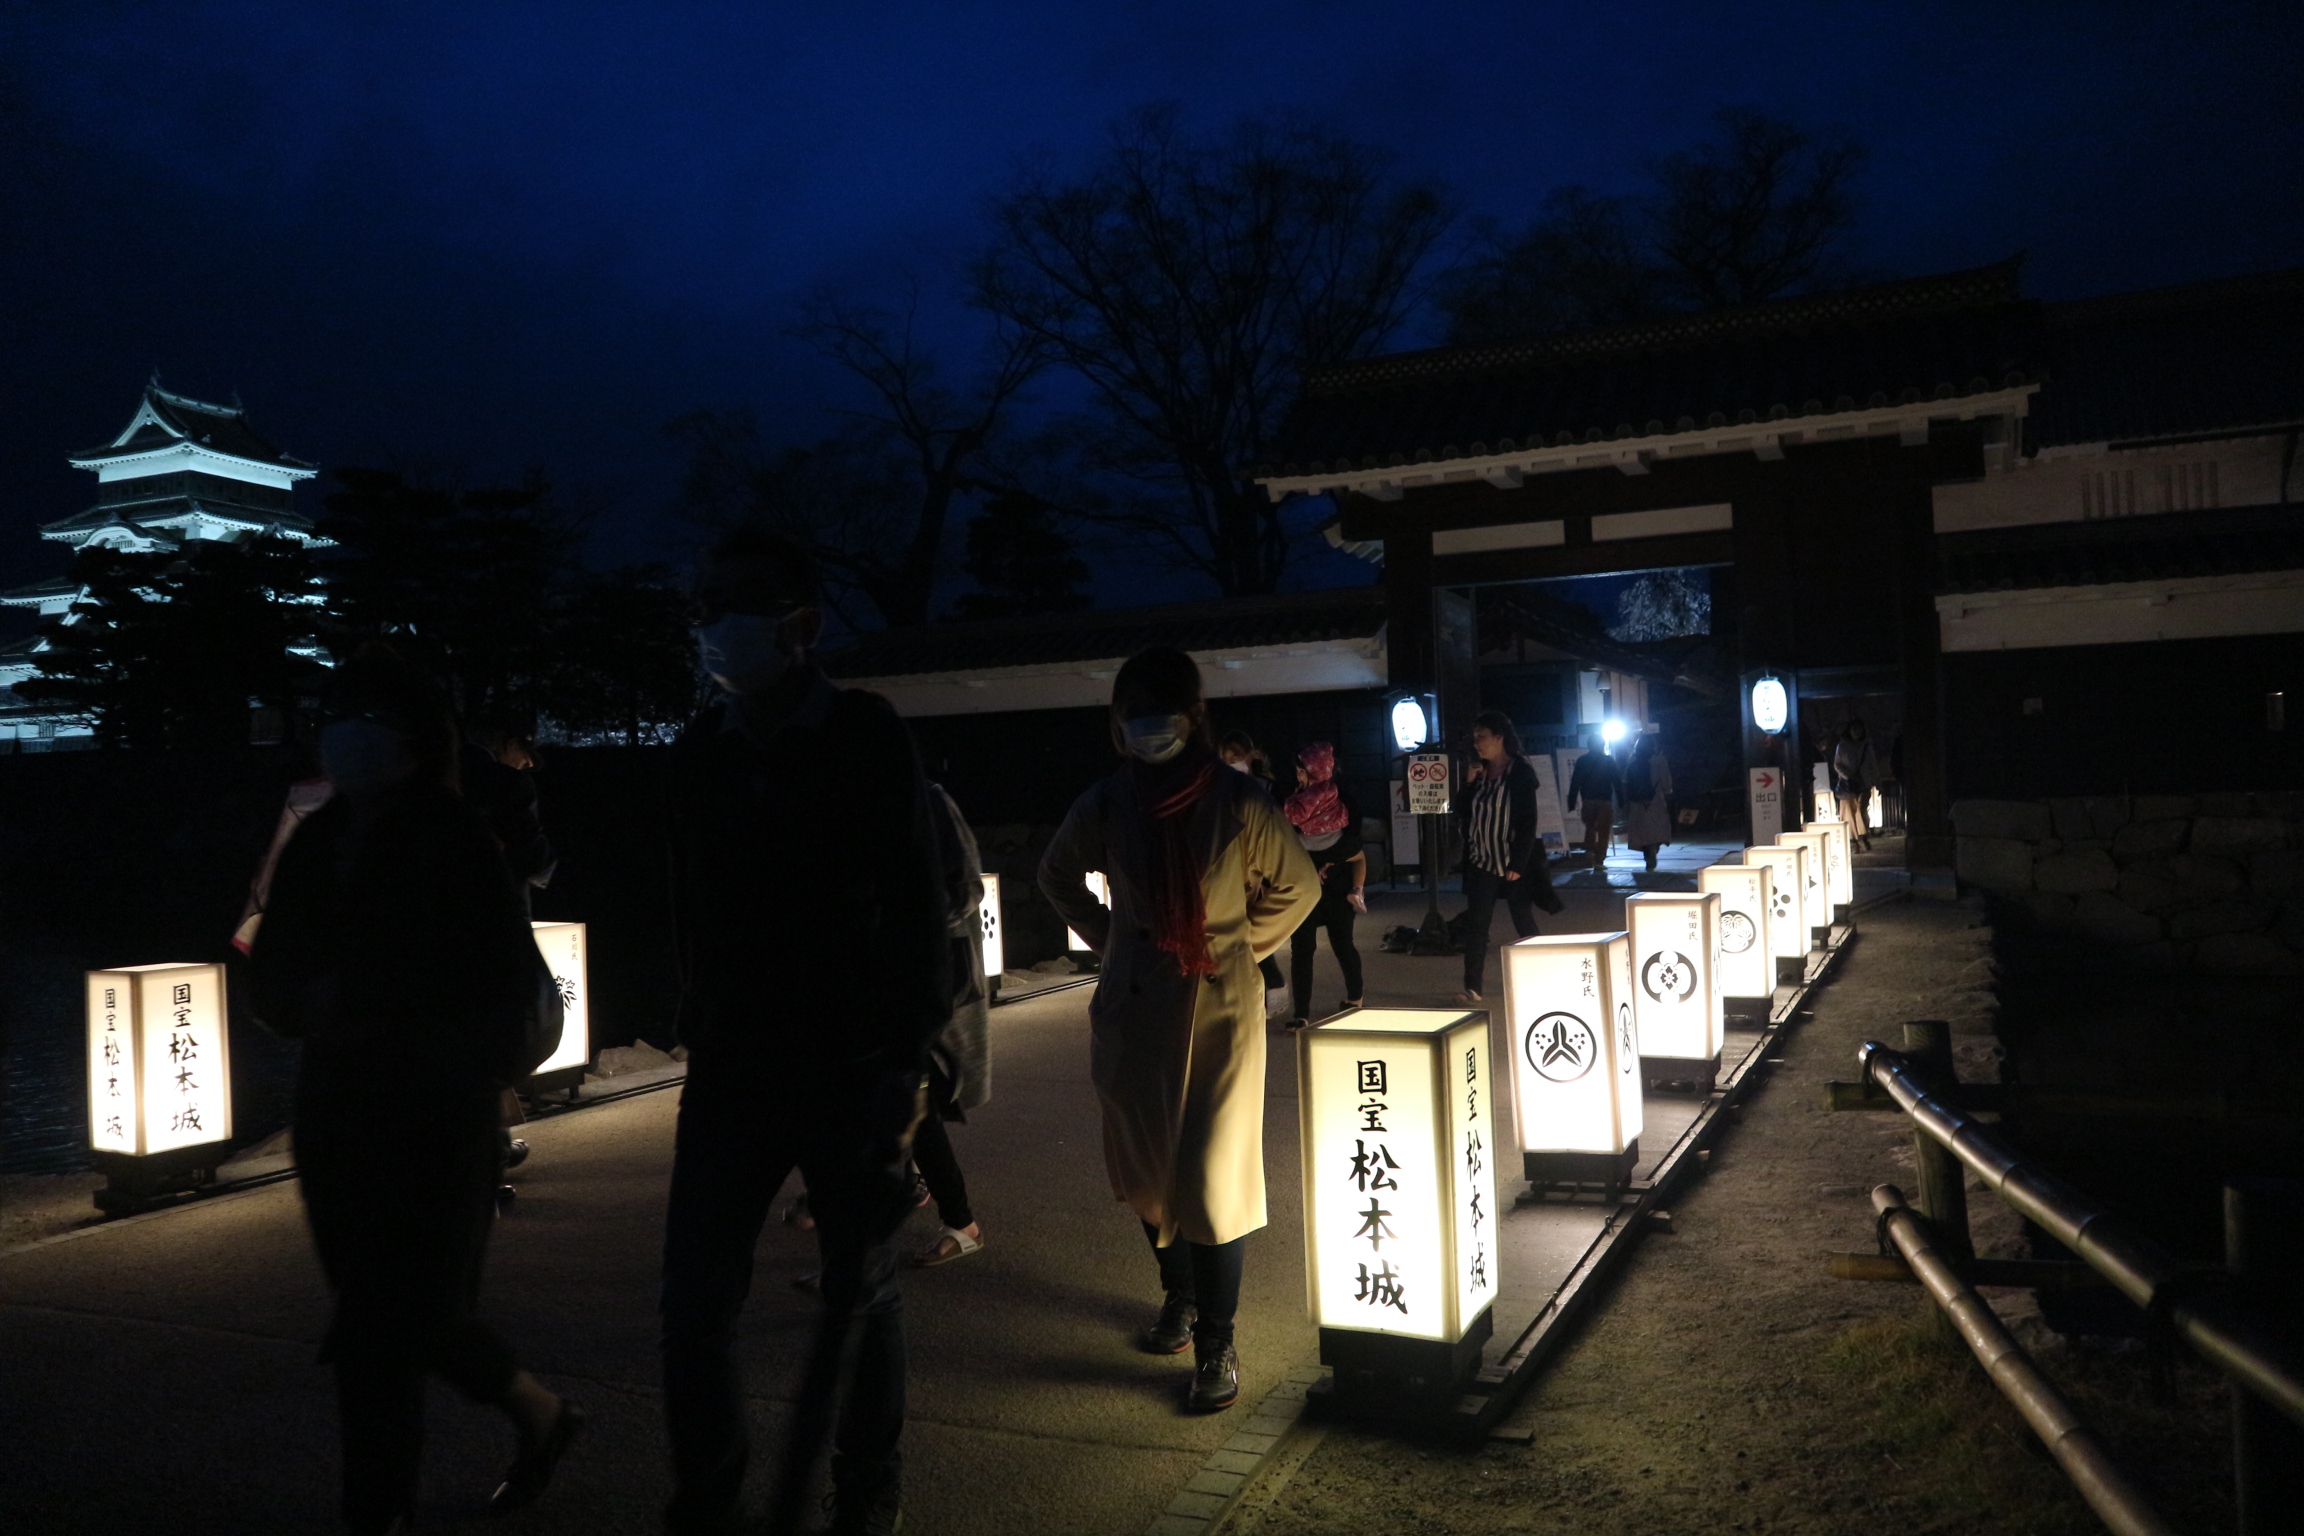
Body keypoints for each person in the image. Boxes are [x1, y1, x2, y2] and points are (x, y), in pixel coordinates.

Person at [248, 645, 582, 1536]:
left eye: (370, 720)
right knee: (388, 1317)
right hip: (338, 1110)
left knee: (394, 1322)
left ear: (416, 739)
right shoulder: (319, 838)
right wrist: (311, 1001)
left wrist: (357, 997)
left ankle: (385, 1508)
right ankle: (536, 1415)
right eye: (336, 717)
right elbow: (271, 979)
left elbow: (492, 985)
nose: (348, 736)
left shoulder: (456, 839)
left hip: (437, 1111)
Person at [660, 527, 949, 1536]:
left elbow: (917, 902)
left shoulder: (865, 735)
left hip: (848, 1061)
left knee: (859, 1289)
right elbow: (689, 903)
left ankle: (866, 1489)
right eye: (705, 604)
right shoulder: (701, 750)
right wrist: (694, 1007)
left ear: (803, 624)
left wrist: (907, 1057)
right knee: (694, 1302)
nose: (715, 623)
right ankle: (709, 1498)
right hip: (733, 1064)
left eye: (739, 601)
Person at [1039, 648, 1315, 1413]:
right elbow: (1056, 874)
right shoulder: (1107, 801)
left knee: (1212, 1175)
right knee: (1149, 1171)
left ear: (1195, 717)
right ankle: (1180, 1296)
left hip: (1217, 1008)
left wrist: (1236, 947)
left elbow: (1298, 885)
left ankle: (1219, 1338)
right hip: (1132, 1006)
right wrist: (1114, 939)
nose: (1149, 727)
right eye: (1135, 714)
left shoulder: (1239, 800)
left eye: (1161, 712)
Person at [459, 713, 556, 1183]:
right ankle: (487, 1153)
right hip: (495, 929)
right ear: (506, 741)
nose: (527, 764)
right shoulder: (505, 785)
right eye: (524, 754)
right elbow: (532, 856)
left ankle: (485, 1144)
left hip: (429, 933)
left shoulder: (418, 781)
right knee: (502, 1031)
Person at [908, 781, 991, 1268]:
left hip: (921, 982)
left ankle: (961, 1221)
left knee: (913, 1101)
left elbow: (966, 888)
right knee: (897, 1100)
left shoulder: (927, 798)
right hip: (881, 982)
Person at [1454, 710, 1564, 1003]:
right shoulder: (1479, 772)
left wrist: (1518, 863)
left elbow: (1528, 821)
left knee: (1522, 918)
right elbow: (1461, 812)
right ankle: (1472, 987)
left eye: (1482, 737)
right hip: (1481, 859)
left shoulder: (1520, 771)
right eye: (1474, 738)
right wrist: (1468, 783)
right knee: (1477, 924)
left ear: (1499, 738)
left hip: (1512, 860)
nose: (1477, 743)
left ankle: (1544, 976)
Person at [1281, 741, 1367, 1027]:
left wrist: (1318, 862)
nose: (1297, 776)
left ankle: (1308, 1012)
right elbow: (1353, 844)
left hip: (1318, 884)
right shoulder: (1341, 794)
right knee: (1324, 946)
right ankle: (1337, 1003)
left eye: (1301, 771)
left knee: (1313, 947)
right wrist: (1326, 861)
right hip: (1328, 881)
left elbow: (1288, 837)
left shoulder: (1304, 798)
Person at [1219, 729, 1292, 1020]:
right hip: (1231, 864)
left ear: (1251, 755)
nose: (1231, 763)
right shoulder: (1220, 787)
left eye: (1235, 757)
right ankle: (1265, 987)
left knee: (1250, 930)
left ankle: (1273, 985)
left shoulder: (1265, 786)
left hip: (1260, 867)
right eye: (1225, 759)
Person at [1622, 728, 1675, 873]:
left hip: (1637, 802)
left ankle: (1648, 856)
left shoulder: (1633, 759)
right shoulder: (1659, 760)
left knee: (1642, 832)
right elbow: (1666, 782)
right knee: (1656, 830)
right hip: (1655, 800)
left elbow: (1626, 780)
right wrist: (1667, 791)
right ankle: (1653, 852)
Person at [1564, 744, 1621, 868]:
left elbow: (1575, 781)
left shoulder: (1582, 761)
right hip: (1605, 800)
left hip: (1588, 800)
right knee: (1604, 831)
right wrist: (1621, 800)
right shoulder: (1609, 760)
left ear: (1589, 746)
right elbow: (1617, 781)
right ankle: (1599, 860)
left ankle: (1589, 852)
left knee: (1590, 828)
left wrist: (1572, 801)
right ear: (1602, 745)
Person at [1833, 719, 1879, 853]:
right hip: (1848, 784)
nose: (1857, 732)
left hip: (1864, 783)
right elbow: (1837, 765)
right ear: (1849, 730)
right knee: (1849, 813)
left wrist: (1877, 782)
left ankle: (1863, 836)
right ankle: (1854, 841)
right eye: (1854, 729)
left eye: (1859, 729)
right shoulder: (1842, 746)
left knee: (1861, 810)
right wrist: (1848, 776)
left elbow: (1873, 765)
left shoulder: (1866, 746)